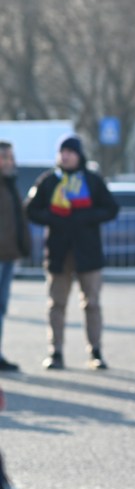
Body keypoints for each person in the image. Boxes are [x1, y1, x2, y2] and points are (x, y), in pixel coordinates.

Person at [25, 134, 119, 371]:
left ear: (79, 155)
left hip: (89, 253)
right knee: (56, 304)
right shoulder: (48, 181)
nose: (65, 156)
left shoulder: (92, 180)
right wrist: (53, 218)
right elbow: (31, 210)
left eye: (70, 151)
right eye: (62, 151)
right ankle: (55, 353)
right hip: (58, 254)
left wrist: (84, 217)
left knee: (92, 304)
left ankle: (95, 352)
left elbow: (111, 209)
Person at [0, 141, 30, 372]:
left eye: (11, 157)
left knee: (1, 308)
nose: (10, 162)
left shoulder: (9, 184)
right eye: (5, 157)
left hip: (8, 255)